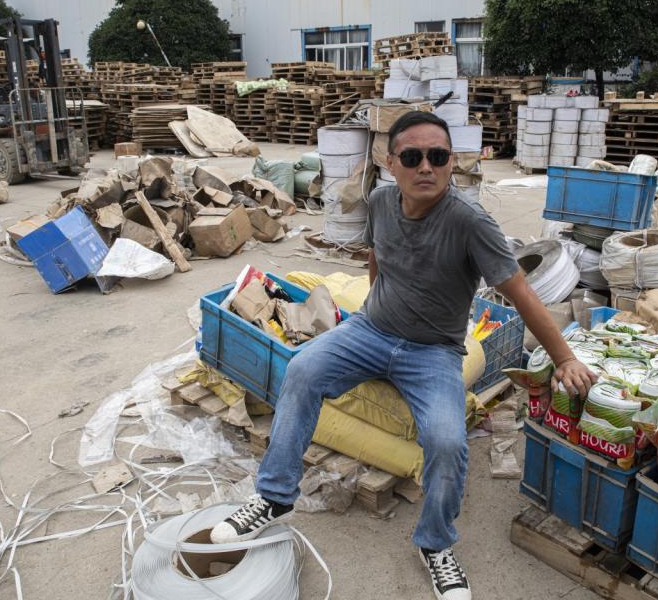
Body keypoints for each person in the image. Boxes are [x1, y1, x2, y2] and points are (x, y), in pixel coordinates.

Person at [210, 111, 597, 599]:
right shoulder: (379, 201)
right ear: (391, 162)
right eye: (412, 157)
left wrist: (563, 357)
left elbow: (521, 293)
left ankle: (434, 544)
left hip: (433, 352)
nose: (426, 167)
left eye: (438, 156)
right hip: (371, 330)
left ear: (451, 161)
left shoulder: (470, 222)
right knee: (303, 368)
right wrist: (375, 307)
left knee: (446, 442)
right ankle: (273, 497)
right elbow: (378, 255)